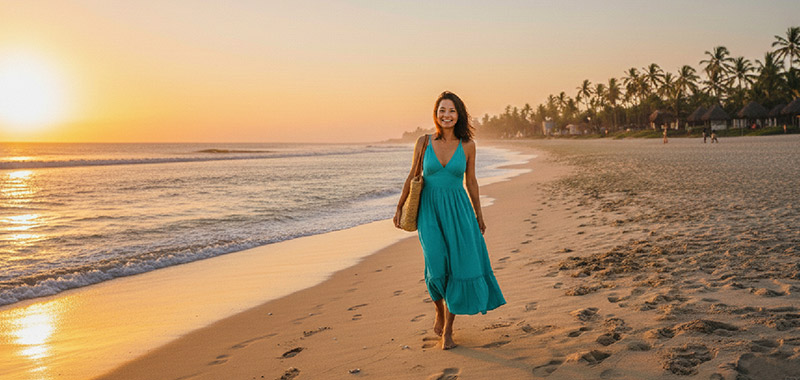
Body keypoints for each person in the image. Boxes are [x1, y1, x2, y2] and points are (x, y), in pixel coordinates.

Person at [393, 91, 505, 350]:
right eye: (442, 110)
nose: (447, 115)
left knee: (458, 267)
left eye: (452, 111)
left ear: (459, 115)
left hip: (459, 211)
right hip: (428, 211)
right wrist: (399, 206)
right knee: (435, 265)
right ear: (436, 114)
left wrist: (479, 214)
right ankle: (439, 311)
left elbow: (472, 182)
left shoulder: (468, 146)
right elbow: (412, 175)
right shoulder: (423, 142)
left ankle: (449, 331)